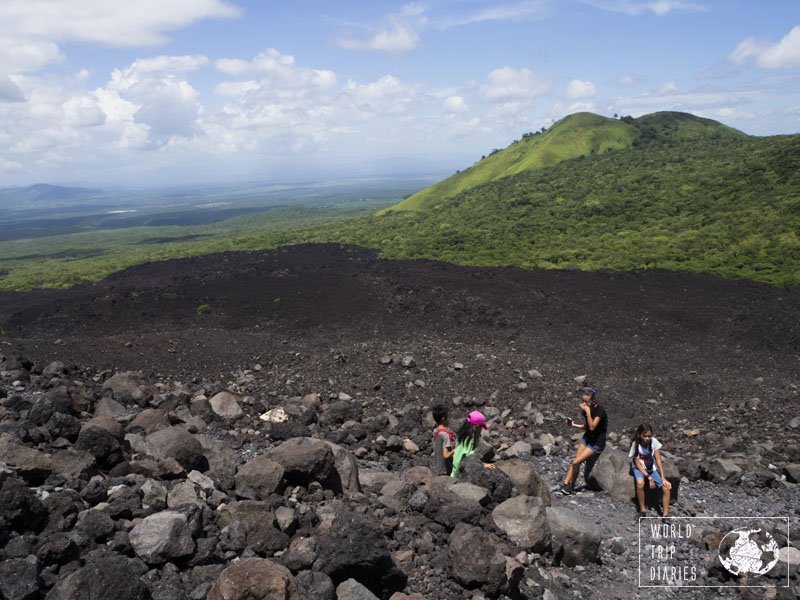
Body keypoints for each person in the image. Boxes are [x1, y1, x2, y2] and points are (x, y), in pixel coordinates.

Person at [560, 387, 607, 495]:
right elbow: (586, 427)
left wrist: (588, 413)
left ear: (593, 401)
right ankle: (566, 483)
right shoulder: (586, 409)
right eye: (583, 401)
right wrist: (573, 425)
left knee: (576, 462)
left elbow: (592, 427)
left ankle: (571, 485)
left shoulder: (600, 411)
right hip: (587, 439)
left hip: (596, 443)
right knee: (575, 461)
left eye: (587, 402)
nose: (584, 404)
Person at [629, 423, 672, 521]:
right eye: (645, 436)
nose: (647, 438)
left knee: (666, 488)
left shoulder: (654, 442)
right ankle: (642, 510)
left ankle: (665, 515)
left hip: (651, 468)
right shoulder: (636, 444)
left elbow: (658, 460)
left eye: (649, 436)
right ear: (640, 435)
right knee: (640, 483)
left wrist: (663, 478)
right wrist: (649, 478)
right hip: (639, 468)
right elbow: (638, 464)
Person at [451, 410, 495, 479]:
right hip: (459, 475)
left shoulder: (460, 435)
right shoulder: (470, 441)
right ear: (477, 426)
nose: (481, 430)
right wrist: (484, 465)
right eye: (481, 427)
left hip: (453, 471)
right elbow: (469, 461)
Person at [431, 404, 454, 476]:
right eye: (449, 417)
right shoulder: (445, 435)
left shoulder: (436, 430)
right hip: (446, 469)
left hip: (438, 466)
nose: (450, 419)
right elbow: (446, 455)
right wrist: (455, 450)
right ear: (443, 419)